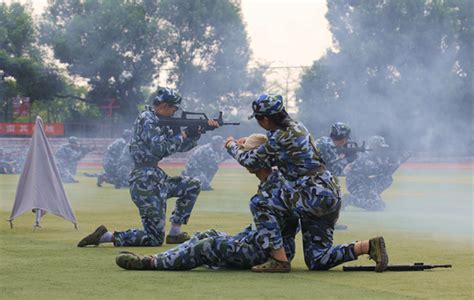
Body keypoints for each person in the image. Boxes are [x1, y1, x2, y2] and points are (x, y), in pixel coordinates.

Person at [225, 94, 388, 272]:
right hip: (327, 194)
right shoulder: (297, 128)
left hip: (310, 196)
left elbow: (252, 162)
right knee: (318, 259)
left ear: (264, 119)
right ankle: (367, 246)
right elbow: (273, 153)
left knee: (260, 202)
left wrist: (232, 145)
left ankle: (279, 260)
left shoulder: (282, 137)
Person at [115, 134, 299, 271]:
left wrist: (279, 258)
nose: (243, 159)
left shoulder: (272, 190)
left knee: (210, 244)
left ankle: (150, 263)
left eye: (246, 154)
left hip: (268, 253)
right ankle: (157, 257)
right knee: (206, 234)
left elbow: (279, 227)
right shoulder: (275, 181)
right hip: (257, 242)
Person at [77, 88, 219, 248]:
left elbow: (179, 147)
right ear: (164, 105)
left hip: (156, 178)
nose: (175, 112)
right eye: (174, 108)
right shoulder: (147, 120)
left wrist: (196, 133)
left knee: (192, 185)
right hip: (144, 182)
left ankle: (175, 233)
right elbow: (160, 148)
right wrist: (184, 135)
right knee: (154, 239)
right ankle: (106, 236)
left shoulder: (159, 120)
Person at [343, 136, 410, 211]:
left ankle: (373, 194)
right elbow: (377, 169)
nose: (381, 149)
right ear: (373, 146)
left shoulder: (374, 155)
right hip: (356, 184)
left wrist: (397, 163)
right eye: (379, 147)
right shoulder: (364, 155)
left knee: (387, 178)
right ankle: (347, 200)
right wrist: (398, 162)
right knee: (376, 206)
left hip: (364, 182)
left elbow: (385, 171)